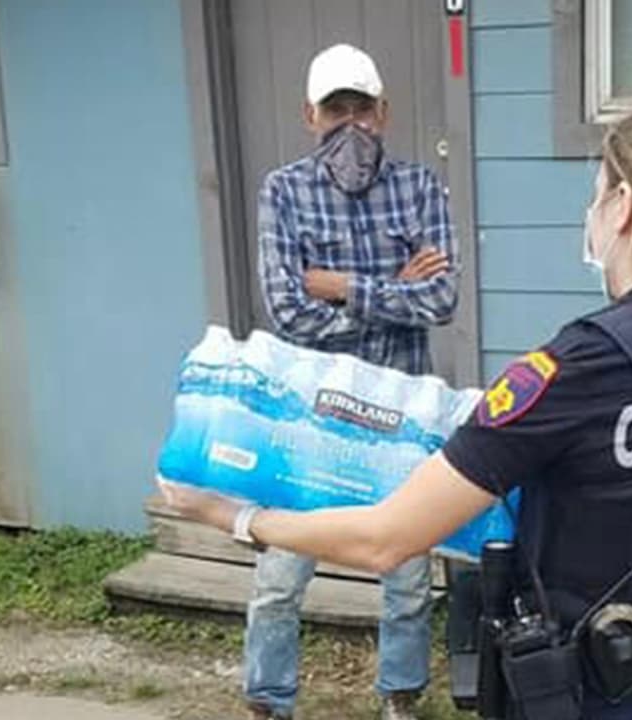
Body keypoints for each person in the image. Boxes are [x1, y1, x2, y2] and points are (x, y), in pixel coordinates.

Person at [163, 88, 632, 719]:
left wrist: (231, 517)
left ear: (623, 207)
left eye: (598, 193)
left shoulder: (581, 369)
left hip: (586, 696)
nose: (592, 212)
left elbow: (386, 540)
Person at [247, 44, 458, 720]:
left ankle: (400, 697)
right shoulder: (282, 191)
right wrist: (392, 288)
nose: (349, 124)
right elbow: (287, 313)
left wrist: (341, 287)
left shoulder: (421, 186)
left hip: (403, 410)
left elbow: (443, 299)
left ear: (383, 112)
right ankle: (268, 700)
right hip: (312, 413)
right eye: (335, 109)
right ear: (310, 116)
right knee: (281, 574)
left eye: (360, 108)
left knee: (406, 575)